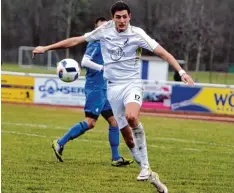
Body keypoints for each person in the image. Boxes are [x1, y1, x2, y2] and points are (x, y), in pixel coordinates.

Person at [32, 1, 194, 192]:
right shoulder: (104, 31)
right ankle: (153, 177)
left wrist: (182, 72)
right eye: (118, 17)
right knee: (129, 139)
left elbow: (163, 53)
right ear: (113, 18)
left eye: (125, 16)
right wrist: (46, 48)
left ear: (130, 17)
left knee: (132, 116)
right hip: (112, 88)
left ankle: (145, 167)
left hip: (132, 84)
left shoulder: (137, 34)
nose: (122, 20)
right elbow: (76, 40)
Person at [51, 16, 133, 167]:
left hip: (104, 88)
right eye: (100, 27)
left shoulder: (108, 43)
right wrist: (103, 68)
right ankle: (59, 142)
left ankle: (116, 158)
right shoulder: (95, 42)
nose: (103, 29)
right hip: (95, 87)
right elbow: (84, 61)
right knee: (90, 122)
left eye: (105, 26)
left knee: (114, 122)